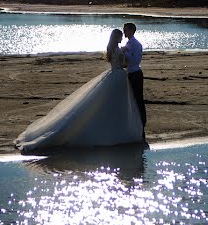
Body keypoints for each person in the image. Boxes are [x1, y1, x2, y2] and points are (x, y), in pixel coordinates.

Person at [14, 28, 144, 152]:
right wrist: (126, 53)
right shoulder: (118, 49)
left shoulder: (111, 48)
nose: (122, 37)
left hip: (113, 74)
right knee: (116, 103)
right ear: (116, 37)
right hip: (119, 76)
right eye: (120, 36)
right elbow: (123, 64)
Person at [122, 22, 146, 139]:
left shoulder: (135, 44)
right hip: (131, 73)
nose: (124, 32)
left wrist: (125, 52)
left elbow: (136, 60)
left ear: (131, 31)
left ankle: (141, 122)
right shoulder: (128, 43)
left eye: (125, 30)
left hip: (136, 73)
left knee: (138, 99)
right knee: (133, 99)